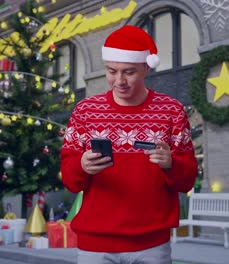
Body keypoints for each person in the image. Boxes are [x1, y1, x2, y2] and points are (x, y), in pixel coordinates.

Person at [60, 25, 198, 264]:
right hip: (96, 244)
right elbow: (71, 181)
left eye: (129, 72)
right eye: (111, 71)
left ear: (146, 67)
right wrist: (81, 166)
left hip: (152, 244)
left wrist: (171, 164)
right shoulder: (86, 111)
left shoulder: (171, 111)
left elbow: (186, 181)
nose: (119, 81)